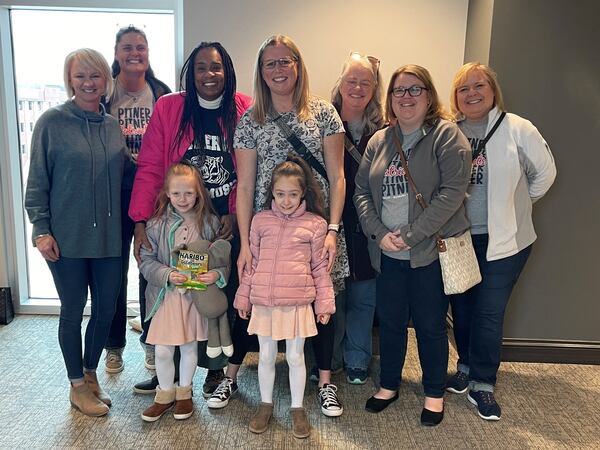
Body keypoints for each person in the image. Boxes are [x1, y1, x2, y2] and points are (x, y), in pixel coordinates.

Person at [220, 34, 347, 418]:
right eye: (269, 63)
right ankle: (231, 374)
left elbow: (338, 176)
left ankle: (325, 383)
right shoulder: (250, 119)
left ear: (298, 64)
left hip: (315, 230)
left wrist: (333, 230)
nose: (278, 70)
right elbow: (244, 186)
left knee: (321, 300)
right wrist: (245, 243)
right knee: (252, 298)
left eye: (284, 61)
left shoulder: (324, 113)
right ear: (261, 71)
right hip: (267, 231)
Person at [129, 41, 252, 398]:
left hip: (220, 222)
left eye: (216, 67)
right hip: (174, 217)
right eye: (201, 67)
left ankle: (213, 369)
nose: (209, 75)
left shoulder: (243, 108)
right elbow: (151, 166)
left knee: (213, 293)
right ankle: (161, 369)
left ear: (227, 71)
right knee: (167, 292)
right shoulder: (171, 108)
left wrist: (233, 212)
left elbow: (249, 171)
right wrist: (141, 220)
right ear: (190, 72)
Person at [354, 64, 471, 426]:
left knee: (430, 324)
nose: (406, 97)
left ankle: (434, 391)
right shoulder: (379, 140)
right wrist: (378, 232)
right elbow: (361, 192)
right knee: (389, 322)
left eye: (414, 89)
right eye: (398, 91)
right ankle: (389, 384)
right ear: (389, 99)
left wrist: (410, 234)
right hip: (387, 254)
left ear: (429, 95)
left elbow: (452, 194)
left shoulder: (445, 136)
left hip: (428, 253)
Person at [445, 62, 556, 421]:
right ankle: (464, 365)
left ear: (493, 91)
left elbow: (545, 174)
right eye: (464, 89)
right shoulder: (449, 131)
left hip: (506, 242)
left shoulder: (517, 129)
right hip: (461, 238)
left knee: (489, 312)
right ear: (456, 97)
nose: (472, 94)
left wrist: (516, 206)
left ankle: (483, 384)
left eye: (479, 86)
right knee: (461, 310)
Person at [24, 48, 127, 417]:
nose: (88, 83)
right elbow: (36, 181)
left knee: (106, 309)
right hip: (65, 238)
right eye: (80, 76)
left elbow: (128, 176)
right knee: (72, 310)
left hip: (110, 239)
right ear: (70, 80)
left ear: (105, 81)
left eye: (95, 76)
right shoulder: (51, 123)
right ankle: (76, 386)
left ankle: (90, 373)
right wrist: (41, 230)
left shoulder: (112, 126)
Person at [234, 155, 335, 439]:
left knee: (294, 356)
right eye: (280, 194)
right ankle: (265, 405)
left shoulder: (315, 224)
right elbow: (251, 265)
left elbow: (319, 268)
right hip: (264, 302)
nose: (286, 200)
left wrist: (324, 303)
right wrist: (244, 298)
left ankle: (297, 407)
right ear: (272, 193)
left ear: (303, 192)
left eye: (292, 194)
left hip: (297, 303)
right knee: (265, 355)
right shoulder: (260, 221)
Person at [103, 24, 171, 375]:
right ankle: (114, 345)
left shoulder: (161, 92)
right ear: (116, 53)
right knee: (114, 273)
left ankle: (152, 341)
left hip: (153, 195)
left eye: (140, 47)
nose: (134, 53)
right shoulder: (104, 93)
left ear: (147, 53)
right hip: (113, 196)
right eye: (127, 47)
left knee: (150, 269)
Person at [139, 163, 226, 422]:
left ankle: (184, 393)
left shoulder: (210, 224)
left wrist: (216, 275)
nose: (183, 199)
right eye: (176, 194)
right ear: (167, 193)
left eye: (188, 193)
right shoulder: (155, 225)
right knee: (164, 350)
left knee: (189, 348)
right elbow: (146, 261)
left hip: (193, 298)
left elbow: (220, 260)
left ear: (198, 192)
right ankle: (164, 393)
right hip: (166, 297)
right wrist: (166, 274)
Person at [330, 52, 385, 385]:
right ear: (341, 83)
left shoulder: (384, 129)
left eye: (365, 82)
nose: (358, 87)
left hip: (368, 228)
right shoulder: (323, 122)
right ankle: (327, 360)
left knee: (364, 299)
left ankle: (357, 360)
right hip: (331, 226)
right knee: (331, 300)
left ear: (374, 88)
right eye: (352, 80)